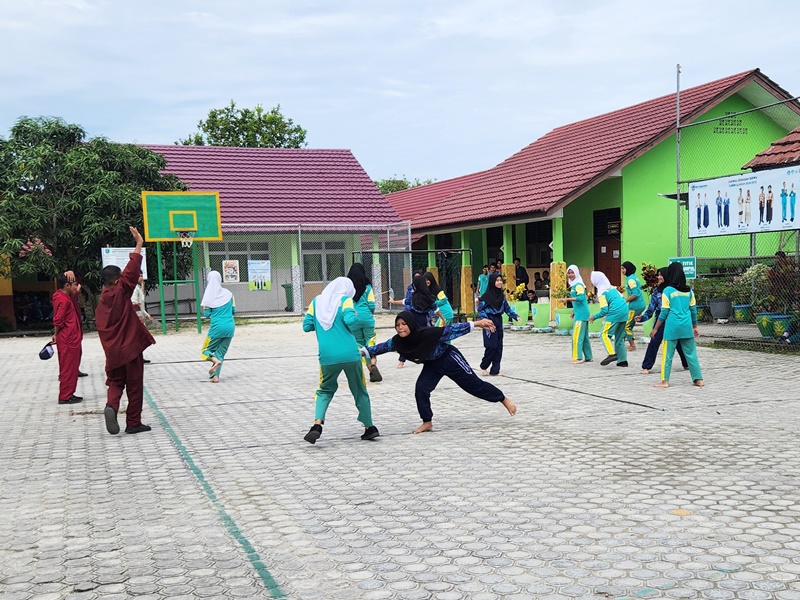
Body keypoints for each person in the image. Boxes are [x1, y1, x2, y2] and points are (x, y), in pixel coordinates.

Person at [362, 311, 516, 434]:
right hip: (432, 365)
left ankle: (503, 399)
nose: (400, 328)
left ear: (411, 324)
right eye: (397, 325)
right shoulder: (396, 342)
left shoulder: (428, 333)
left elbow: (453, 330)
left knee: (474, 385)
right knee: (421, 388)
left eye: (404, 324)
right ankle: (427, 422)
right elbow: (379, 348)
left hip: (449, 358)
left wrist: (477, 323)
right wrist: (361, 353)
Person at [302, 277, 379, 444]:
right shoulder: (345, 300)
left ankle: (317, 425)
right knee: (359, 389)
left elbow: (306, 326)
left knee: (324, 390)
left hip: (327, 356)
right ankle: (369, 427)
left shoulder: (316, 302)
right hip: (351, 354)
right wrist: (354, 315)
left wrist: (322, 324)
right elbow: (351, 320)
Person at [96, 227, 156, 435]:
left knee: (115, 381)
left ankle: (111, 406)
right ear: (115, 280)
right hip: (129, 348)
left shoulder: (102, 302)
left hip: (113, 352)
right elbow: (131, 271)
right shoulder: (121, 292)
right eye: (120, 277)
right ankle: (133, 422)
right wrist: (138, 243)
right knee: (134, 385)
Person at [653, 262, 704, 388]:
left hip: (672, 328)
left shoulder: (668, 291)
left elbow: (664, 312)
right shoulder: (689, 291)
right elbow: (693, 310)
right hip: (686, 327)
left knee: (667, 355)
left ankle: (665, 381)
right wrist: (695, 327)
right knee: (691, 354)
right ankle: (698, 380)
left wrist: (655, 328)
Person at [635, 266, 688, 375]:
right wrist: (642, 318)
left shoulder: (674, 290)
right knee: (654, 341)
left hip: (674, 319)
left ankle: (686, 363)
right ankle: (646, 366)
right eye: (658, 275)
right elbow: (651, 309)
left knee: (678, 343)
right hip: (661, 320)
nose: (659, 277)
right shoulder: (656, 292)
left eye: (661, 275)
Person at [478, 272, 520, 375]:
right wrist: (486, 321)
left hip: (498, 320)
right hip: (489, 320)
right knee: (491, 346)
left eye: (500, 280)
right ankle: (484, 366)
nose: (499, 282)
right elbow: (480, 309)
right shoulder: (486, 296)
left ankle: (495, 370)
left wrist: (515, 316)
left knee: (498, 346)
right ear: (492, 282)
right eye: (497, 280)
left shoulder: (502, 296)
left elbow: (507, 309)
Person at [51, 271, 83, 404]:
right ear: (67, 285)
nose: (76, 287)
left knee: (69, 365)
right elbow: (58, 320)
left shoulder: (60, 295)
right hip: (69, 337)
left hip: (68, 337)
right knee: (68, 367)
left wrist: (71, 271)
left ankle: (68, 393)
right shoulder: (64, 300)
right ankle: (65, 396)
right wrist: (55, 334)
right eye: (74, 285)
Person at [347, 263, 382, 383]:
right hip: (367, 318)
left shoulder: (347, 288)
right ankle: (373, 364)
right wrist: (368, 313)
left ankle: (370, 371)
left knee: (360, 346)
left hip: (353, 320)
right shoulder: (367, 287)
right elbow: (372, 305)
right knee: (370, 342)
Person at [200, 270, 236, 383]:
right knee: (220, 352)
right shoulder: (229, 294)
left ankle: (215, 361)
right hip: (230, 326)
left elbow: (207, 314)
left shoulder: (208, 296)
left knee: (205, 351)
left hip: (216, 328)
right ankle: (215, 377)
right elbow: (233, 310)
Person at [588, 271, 629, 367]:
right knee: (619, 338)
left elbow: (604, 310)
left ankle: (611, 354)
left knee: (604, 334)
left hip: (614, 314)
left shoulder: (602, 292)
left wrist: (594, 317)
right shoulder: (613, 288)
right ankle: (622, 361)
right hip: (624, 312)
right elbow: (622, 299)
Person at [559, 264, 592, 364]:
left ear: (577, 273)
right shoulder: (574, 285)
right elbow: (578, 302)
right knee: (584, 336)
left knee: (577, 336)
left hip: (581, 315)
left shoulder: (578, 285)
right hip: (580, 312)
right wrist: (574, 311)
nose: (570, 275)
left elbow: (582, 298)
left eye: (572, 272)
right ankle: (588, 356)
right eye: (568, 273)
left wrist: (566, 299)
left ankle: (577, 357)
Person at [621, 261, 646, 351]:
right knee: (629, 324)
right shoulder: (633, 277)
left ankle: (632, 345)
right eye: (621, 268)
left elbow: (635, 294)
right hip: (638, 305)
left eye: (623, 268)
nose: (622, 270)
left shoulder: (630, 280)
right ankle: (624, 342)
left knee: (626, 325)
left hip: (635, 306)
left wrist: (625, 301)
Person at [131, 271, 153, 364]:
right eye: (139, 276)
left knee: (140, 337)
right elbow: (134, 303)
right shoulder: (134, 289)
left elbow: (141, 305)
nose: (141, 278)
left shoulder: (139, 288)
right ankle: (136, 356)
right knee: (138, 337)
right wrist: (139, 316)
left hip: (141, 315)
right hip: (137, 317)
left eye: (142, 276)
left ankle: (140, 356)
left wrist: (147, 314)